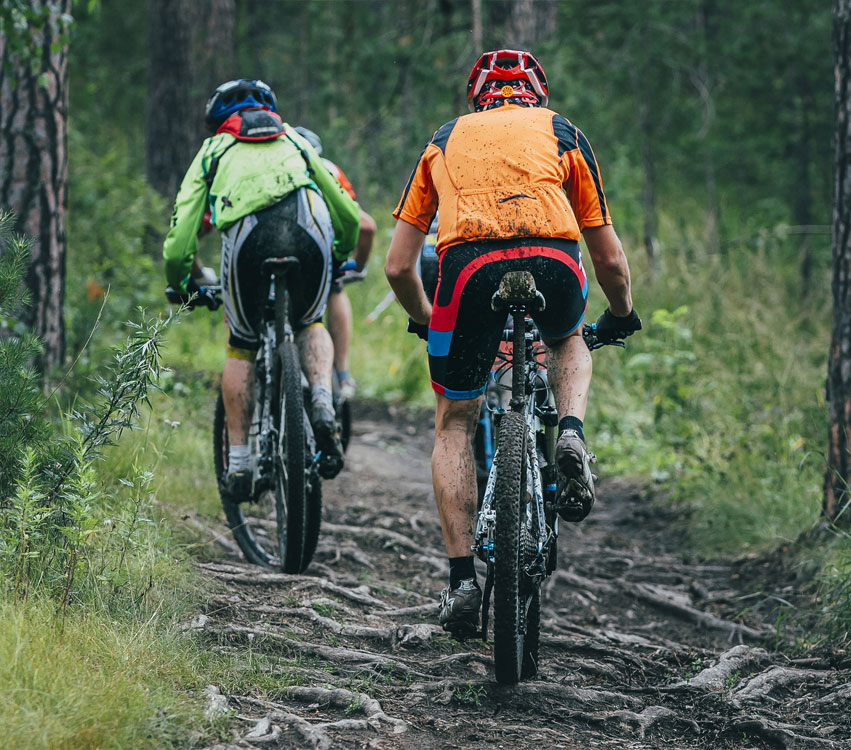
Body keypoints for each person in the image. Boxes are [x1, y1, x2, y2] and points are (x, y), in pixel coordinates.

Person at [384, 50, 641, 637]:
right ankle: (570, 434)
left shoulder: (443, 140)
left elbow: (400, 266)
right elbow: (607, 256)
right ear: (536, 93)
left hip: (467, 269)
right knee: (568, 339)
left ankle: (461, 584)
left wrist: (428, 320)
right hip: (553, 261)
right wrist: (622, 315)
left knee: (454, 420)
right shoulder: (563, 132)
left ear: (477, 97)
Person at [163, 78, 360, 499]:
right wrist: (339, 251)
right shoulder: (294, 139)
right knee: (311, 320)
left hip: (248, 239)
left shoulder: (214, 150)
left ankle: (239, 465)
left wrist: (180, 282)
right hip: (310, 230)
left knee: (242, 343)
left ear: (218, 121)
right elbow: (344, 208)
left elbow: (182, 232)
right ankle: (323, 400)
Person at [292, 127, 377, 400]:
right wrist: (356, 264)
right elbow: (364, 225)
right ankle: (342, 372)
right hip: (321, 256)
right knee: (335, 286)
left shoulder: (272, 169)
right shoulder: (329, 169)